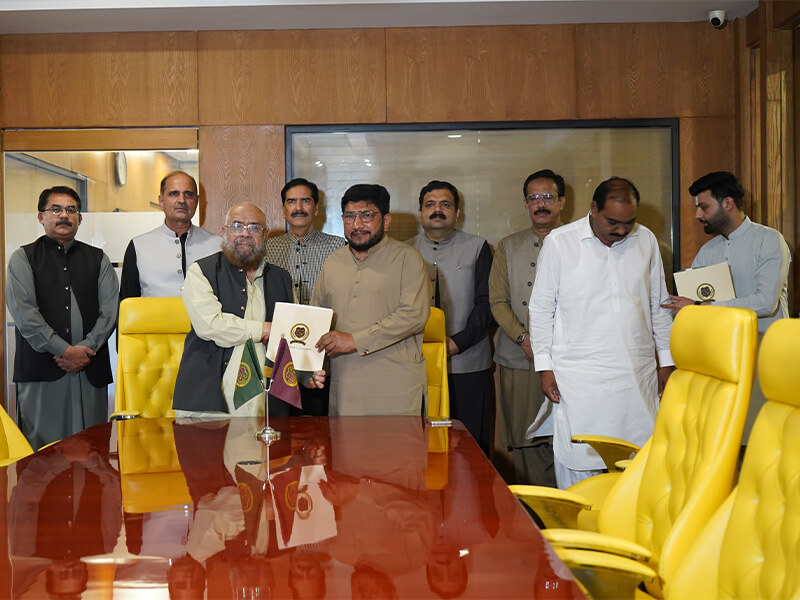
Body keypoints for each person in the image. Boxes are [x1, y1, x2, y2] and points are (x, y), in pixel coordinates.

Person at [530, 177, 675, 489]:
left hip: (635, 375)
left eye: (629, 222)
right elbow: (541, 309)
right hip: (578, 377)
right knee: (580, 461)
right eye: (613, 222)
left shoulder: (646, 239)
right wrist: (544, 367)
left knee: (638, 464)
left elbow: (658, 304)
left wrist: (666, 361)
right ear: (593, 209)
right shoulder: (560, 242)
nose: (622, 230)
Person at [663, 170, 790, 441]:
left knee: (761, 440)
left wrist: (703, 306)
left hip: (764, 356)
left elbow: (765, 302)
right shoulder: (707, 252)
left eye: (704, 207)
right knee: (723, 440)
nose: (697, 215)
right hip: (719, 360)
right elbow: (693, 310)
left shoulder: (769, 240)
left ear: (728, 203)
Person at [173, 202, 324, 416]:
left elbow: (291, 339)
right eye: (236, 226)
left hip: (268, 406)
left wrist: (304, 374)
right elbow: (210, 326)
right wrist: (265, 329)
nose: (245, 233)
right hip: (211, 405)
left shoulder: (282, 279)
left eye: (254, 227)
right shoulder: (201, 271)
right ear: (224, 231)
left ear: (265, 234)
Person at [6, 186, 118, 449]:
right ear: (41, 216)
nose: (64, 215)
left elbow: (111, 311)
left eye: (71, 210)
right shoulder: (23, 258)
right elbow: (25, 314)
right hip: (42, 369)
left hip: (89, 368)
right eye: (55, 209)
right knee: (44, 457)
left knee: (92, 451)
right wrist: (64, 350)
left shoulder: (98, 259)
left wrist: (85, 349)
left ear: (80, 218)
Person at [311, 184, 430, 416]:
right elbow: (316, 317)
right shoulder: (333, 262)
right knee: (345, 441)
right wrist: (308, 368)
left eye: (366, 215)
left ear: (386, 221)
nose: (357, 225)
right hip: (345, 384)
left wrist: (355, 340)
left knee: (396, 441)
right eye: (349, 216)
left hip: (396, 386)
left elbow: (414, 315)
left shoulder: (408, 258)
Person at [488, 169, 565, 487]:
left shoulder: (577, 243)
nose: (541, 204)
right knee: (526, 440)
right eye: (534, 198)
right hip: (520, 359)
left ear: (561, 202)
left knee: (569, 438)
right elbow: (497, 302)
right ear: (525, 204)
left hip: (568, 359)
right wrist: (523, 338)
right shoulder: (508, 246)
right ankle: (534, 512)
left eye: (548, 197)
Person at [408, 180, 494, 455]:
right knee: (419, 446)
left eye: (445, 204)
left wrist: (457, 343)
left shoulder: (478, 247)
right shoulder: (403, 251)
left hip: (468, 365)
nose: (437, 210)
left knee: (470, 450)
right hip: (416, 366)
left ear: (457, 212)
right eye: (430, 204)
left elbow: (487, 304)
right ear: (420, 212)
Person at [264, 178, 346, 416]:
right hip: (279, 357)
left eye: (305, 201)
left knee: (319, 429)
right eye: (291, 202)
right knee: (280, 426)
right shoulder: (267, 249)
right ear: (283, 209)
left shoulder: (338, 248)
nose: (298, 207)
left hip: (323, 357)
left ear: (316, 208)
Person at [119, 170, 220, 300]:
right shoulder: (139, 246)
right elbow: (128, 302)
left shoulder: (217, 246)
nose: (182, 200)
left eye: (188, 194)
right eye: (174, 194)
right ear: (161, 201)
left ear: (196, 201)